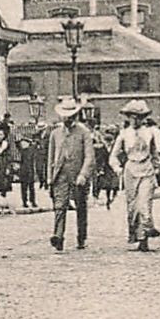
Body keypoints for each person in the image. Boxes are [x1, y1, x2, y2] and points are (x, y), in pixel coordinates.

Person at [109, 100, 160, 251]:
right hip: (130, 170)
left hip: (146, 169)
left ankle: (148, 227)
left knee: (144, 204)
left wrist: (157, 168)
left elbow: (155, 153)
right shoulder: (124, 134)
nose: (135, 120)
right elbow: (113, 155)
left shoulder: (150, 132)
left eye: (139, 117)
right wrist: (118, 169)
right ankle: (141, 239)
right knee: (133, 207)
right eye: (132, 117)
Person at [45, 98, 95, 251]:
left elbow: (89, 156)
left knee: (80, 206)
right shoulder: (55, 133)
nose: (67, 119)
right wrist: (49, 178)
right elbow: (50, 157)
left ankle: (82, 237)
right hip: (60, 175)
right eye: (64, 116)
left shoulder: (83, 132)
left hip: (78, 174)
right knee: (59, 206)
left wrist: (84, 174)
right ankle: (58, 236)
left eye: (70, 115)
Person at [16, 133, 39, 209]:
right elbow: (16, 142)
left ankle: (32, 201)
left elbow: (36, 143)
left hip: (30, 170)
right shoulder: (21, 150)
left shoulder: (31, 149)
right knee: (24, 187)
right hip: (23, 170)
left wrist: (30, 140)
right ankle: (25, 201)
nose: (23, 144)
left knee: (31, 187)